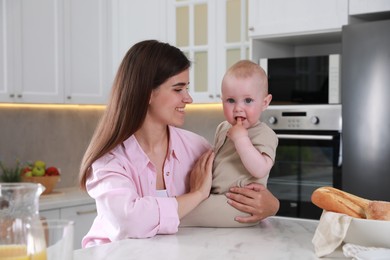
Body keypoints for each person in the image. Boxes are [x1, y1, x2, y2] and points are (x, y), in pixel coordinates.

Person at [79, 40, 280, 248]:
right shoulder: (109, 161)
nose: (189, 98)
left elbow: (229, 200)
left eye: (187, 88)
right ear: (147, 93)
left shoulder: (197, 148)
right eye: (178, 89)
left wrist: (272, 205)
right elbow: (130, 221)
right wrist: (197, 195)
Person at [181, 60, 278, 227]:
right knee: (187, 207)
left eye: (248, 101)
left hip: (242, 204)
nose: (238, 108)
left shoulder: (264, 134)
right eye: (231, 100)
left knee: (184, 214)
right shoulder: (223, 128)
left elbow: (260, 168)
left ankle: (163, 220)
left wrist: (241, 140)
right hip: (219, 196)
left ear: (265, 103)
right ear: (222, 100)